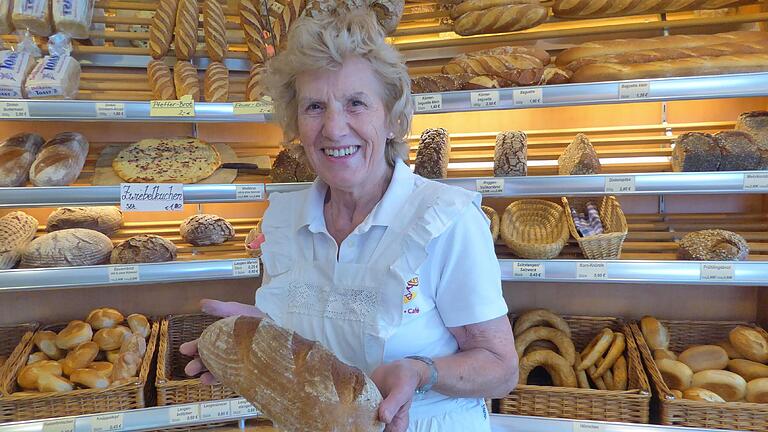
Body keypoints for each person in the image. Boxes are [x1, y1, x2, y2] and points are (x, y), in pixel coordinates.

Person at [181, 9, 518, 432]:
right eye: (315, 107)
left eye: (356, 103)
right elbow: (316, 343)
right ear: (295, 124)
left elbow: (501, 369)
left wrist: (420, 371)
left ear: (393, 119)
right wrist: (260, 340)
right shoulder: (284, 220)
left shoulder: (444, 221)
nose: (334, 128)